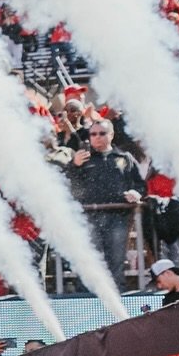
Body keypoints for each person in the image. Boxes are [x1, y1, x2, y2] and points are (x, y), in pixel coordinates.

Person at [68, 118, 146, 286]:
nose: (97, 137)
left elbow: (140, 185)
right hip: (88, 217)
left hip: (117, 217)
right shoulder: (82, 159)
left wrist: (135, 193)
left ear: (111, 135)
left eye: (102, 133)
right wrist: (74, 166)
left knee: (116, 260)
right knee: (90, 260)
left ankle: (118, 295)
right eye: (93, 134)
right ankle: (87, 299)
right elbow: (68, 185)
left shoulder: (124, 158)